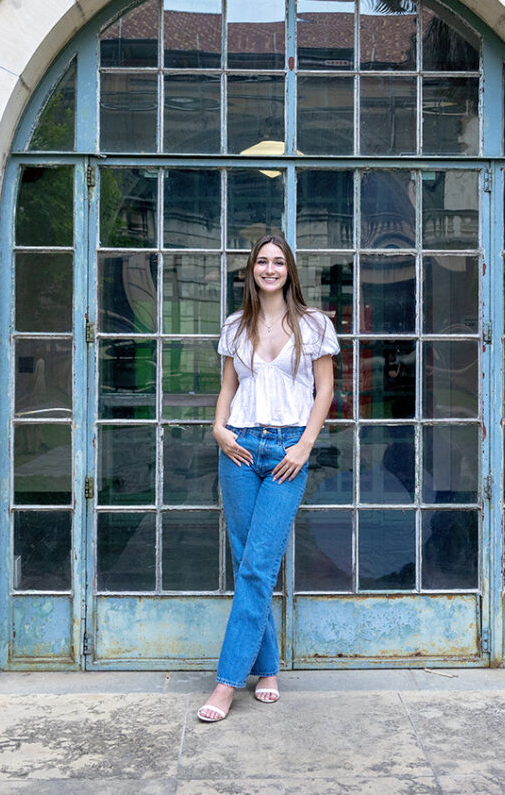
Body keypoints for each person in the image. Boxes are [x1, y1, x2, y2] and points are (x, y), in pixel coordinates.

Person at [197, 234, 339, 722]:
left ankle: (225, 682)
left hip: (286, 451)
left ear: (290, 270)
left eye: (279, 262)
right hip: (237, 447)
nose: (270, 269)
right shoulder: (236, 326)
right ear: (251, 270)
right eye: (262, 261)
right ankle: (268, 670)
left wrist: (304, 446)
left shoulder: (314, 324)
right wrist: (218, 428)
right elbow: (228, 386)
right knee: (247, 564)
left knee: (259, 563)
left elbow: (325, 391)